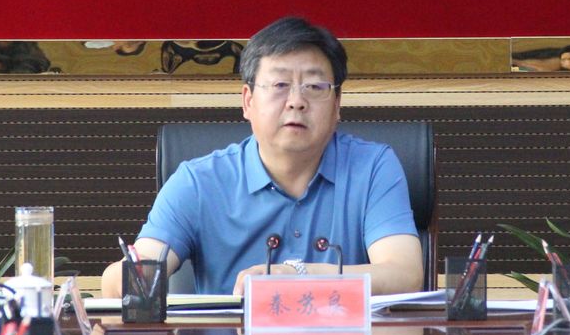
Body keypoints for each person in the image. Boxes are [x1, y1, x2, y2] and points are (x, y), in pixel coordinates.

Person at [101, 16, 422, 296]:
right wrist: (130, 278)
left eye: (314, 87)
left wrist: (298, 276)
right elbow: (136, 270)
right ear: (248, 101)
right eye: (280, 84)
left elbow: (404, 275)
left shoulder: (373, 167)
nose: (296, 101)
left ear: (337, 105)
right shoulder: (197, 182)